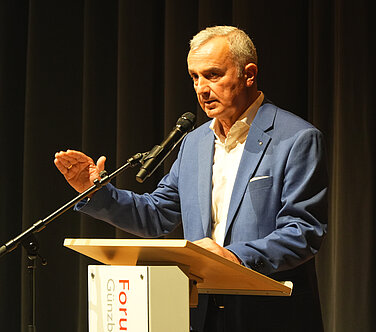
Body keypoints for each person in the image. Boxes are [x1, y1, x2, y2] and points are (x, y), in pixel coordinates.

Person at [55, 26, 328, 331]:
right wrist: (95, 193)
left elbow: (303, 230)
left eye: (212, 75)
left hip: (269, 315)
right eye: (194, 77)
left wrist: (233, 257)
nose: (201, 88)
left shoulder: (296, 138)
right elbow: (156, 215)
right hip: (202, 315)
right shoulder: (195, 143)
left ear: (248, 74)